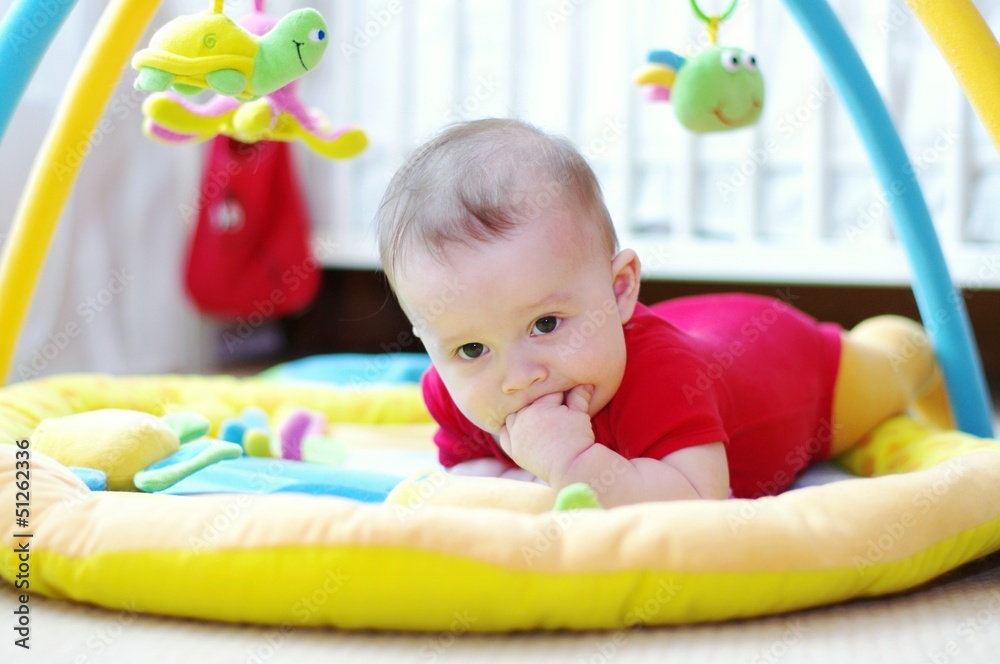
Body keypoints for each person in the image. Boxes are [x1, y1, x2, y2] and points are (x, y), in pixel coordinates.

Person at [373, 118, 951, 507]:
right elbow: (470, 481)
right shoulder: (456, 393)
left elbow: (698, 504)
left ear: (620, 290)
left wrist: (573, 461)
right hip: (703, 328)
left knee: (893, 364)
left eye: (545, 325)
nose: (518, 376)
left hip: (803, 371)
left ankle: (909, 346)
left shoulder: (664, 379)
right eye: (471, 349)